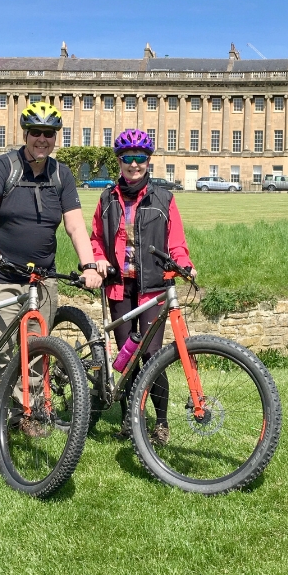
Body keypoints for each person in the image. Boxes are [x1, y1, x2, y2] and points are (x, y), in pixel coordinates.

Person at [0, 101, 103, 424]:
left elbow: (74, 225)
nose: (42, 139)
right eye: (36, 133)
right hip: (3, 274)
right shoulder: (4, 167)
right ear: (25, 134)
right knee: (1, 353)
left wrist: (88, 264)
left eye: (49, 133)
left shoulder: (61, 175)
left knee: (34, 352)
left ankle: (26, 414)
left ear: (56, 137)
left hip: (41, 278)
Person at [89, 129, 194, 445]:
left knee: (152, 356)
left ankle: (160, 422)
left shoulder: (164, 199)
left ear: (149, 161)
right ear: (119, 161)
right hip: (120, 286)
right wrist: (99, 260)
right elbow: (96, 238)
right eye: (127, 159)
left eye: (140, 158)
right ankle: (128, 418)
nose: (134, 164)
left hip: (152, 287)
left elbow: (176, 244)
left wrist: (184, 264)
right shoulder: (107, 198)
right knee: (126, 358)